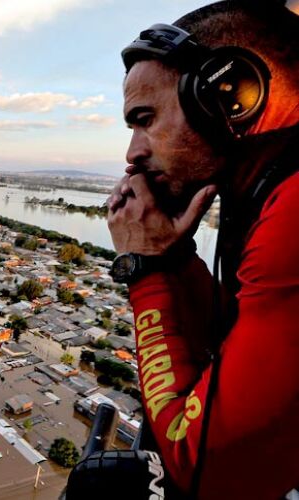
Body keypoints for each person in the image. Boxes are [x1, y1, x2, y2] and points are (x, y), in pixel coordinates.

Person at [106, 2, 299, 498]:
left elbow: (207, 466)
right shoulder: (267, 189)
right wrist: (172, 258)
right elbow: (240, 343)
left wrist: (145, 270)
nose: (132, 152)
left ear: (227, 94)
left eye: (144, 118)